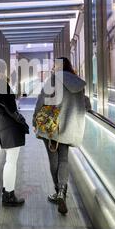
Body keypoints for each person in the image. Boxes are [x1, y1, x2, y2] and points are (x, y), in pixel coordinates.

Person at [33, 57, 87, 215]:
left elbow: (41, 100)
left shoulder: (53, 80)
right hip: (69, 125)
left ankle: (59, 192)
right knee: (64, 158)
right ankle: (63, 190)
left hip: (52, 125)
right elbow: (84, 102)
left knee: (53, 159)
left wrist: (35, 119)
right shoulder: (78, 83)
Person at [0, 68, 29, 207]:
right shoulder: (3, 86)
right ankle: (9, 195)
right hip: (11, 127)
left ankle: (6, 192)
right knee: (11, 162)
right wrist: (21, 121)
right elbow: (11, 108)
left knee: (9, 161)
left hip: (1, 126)